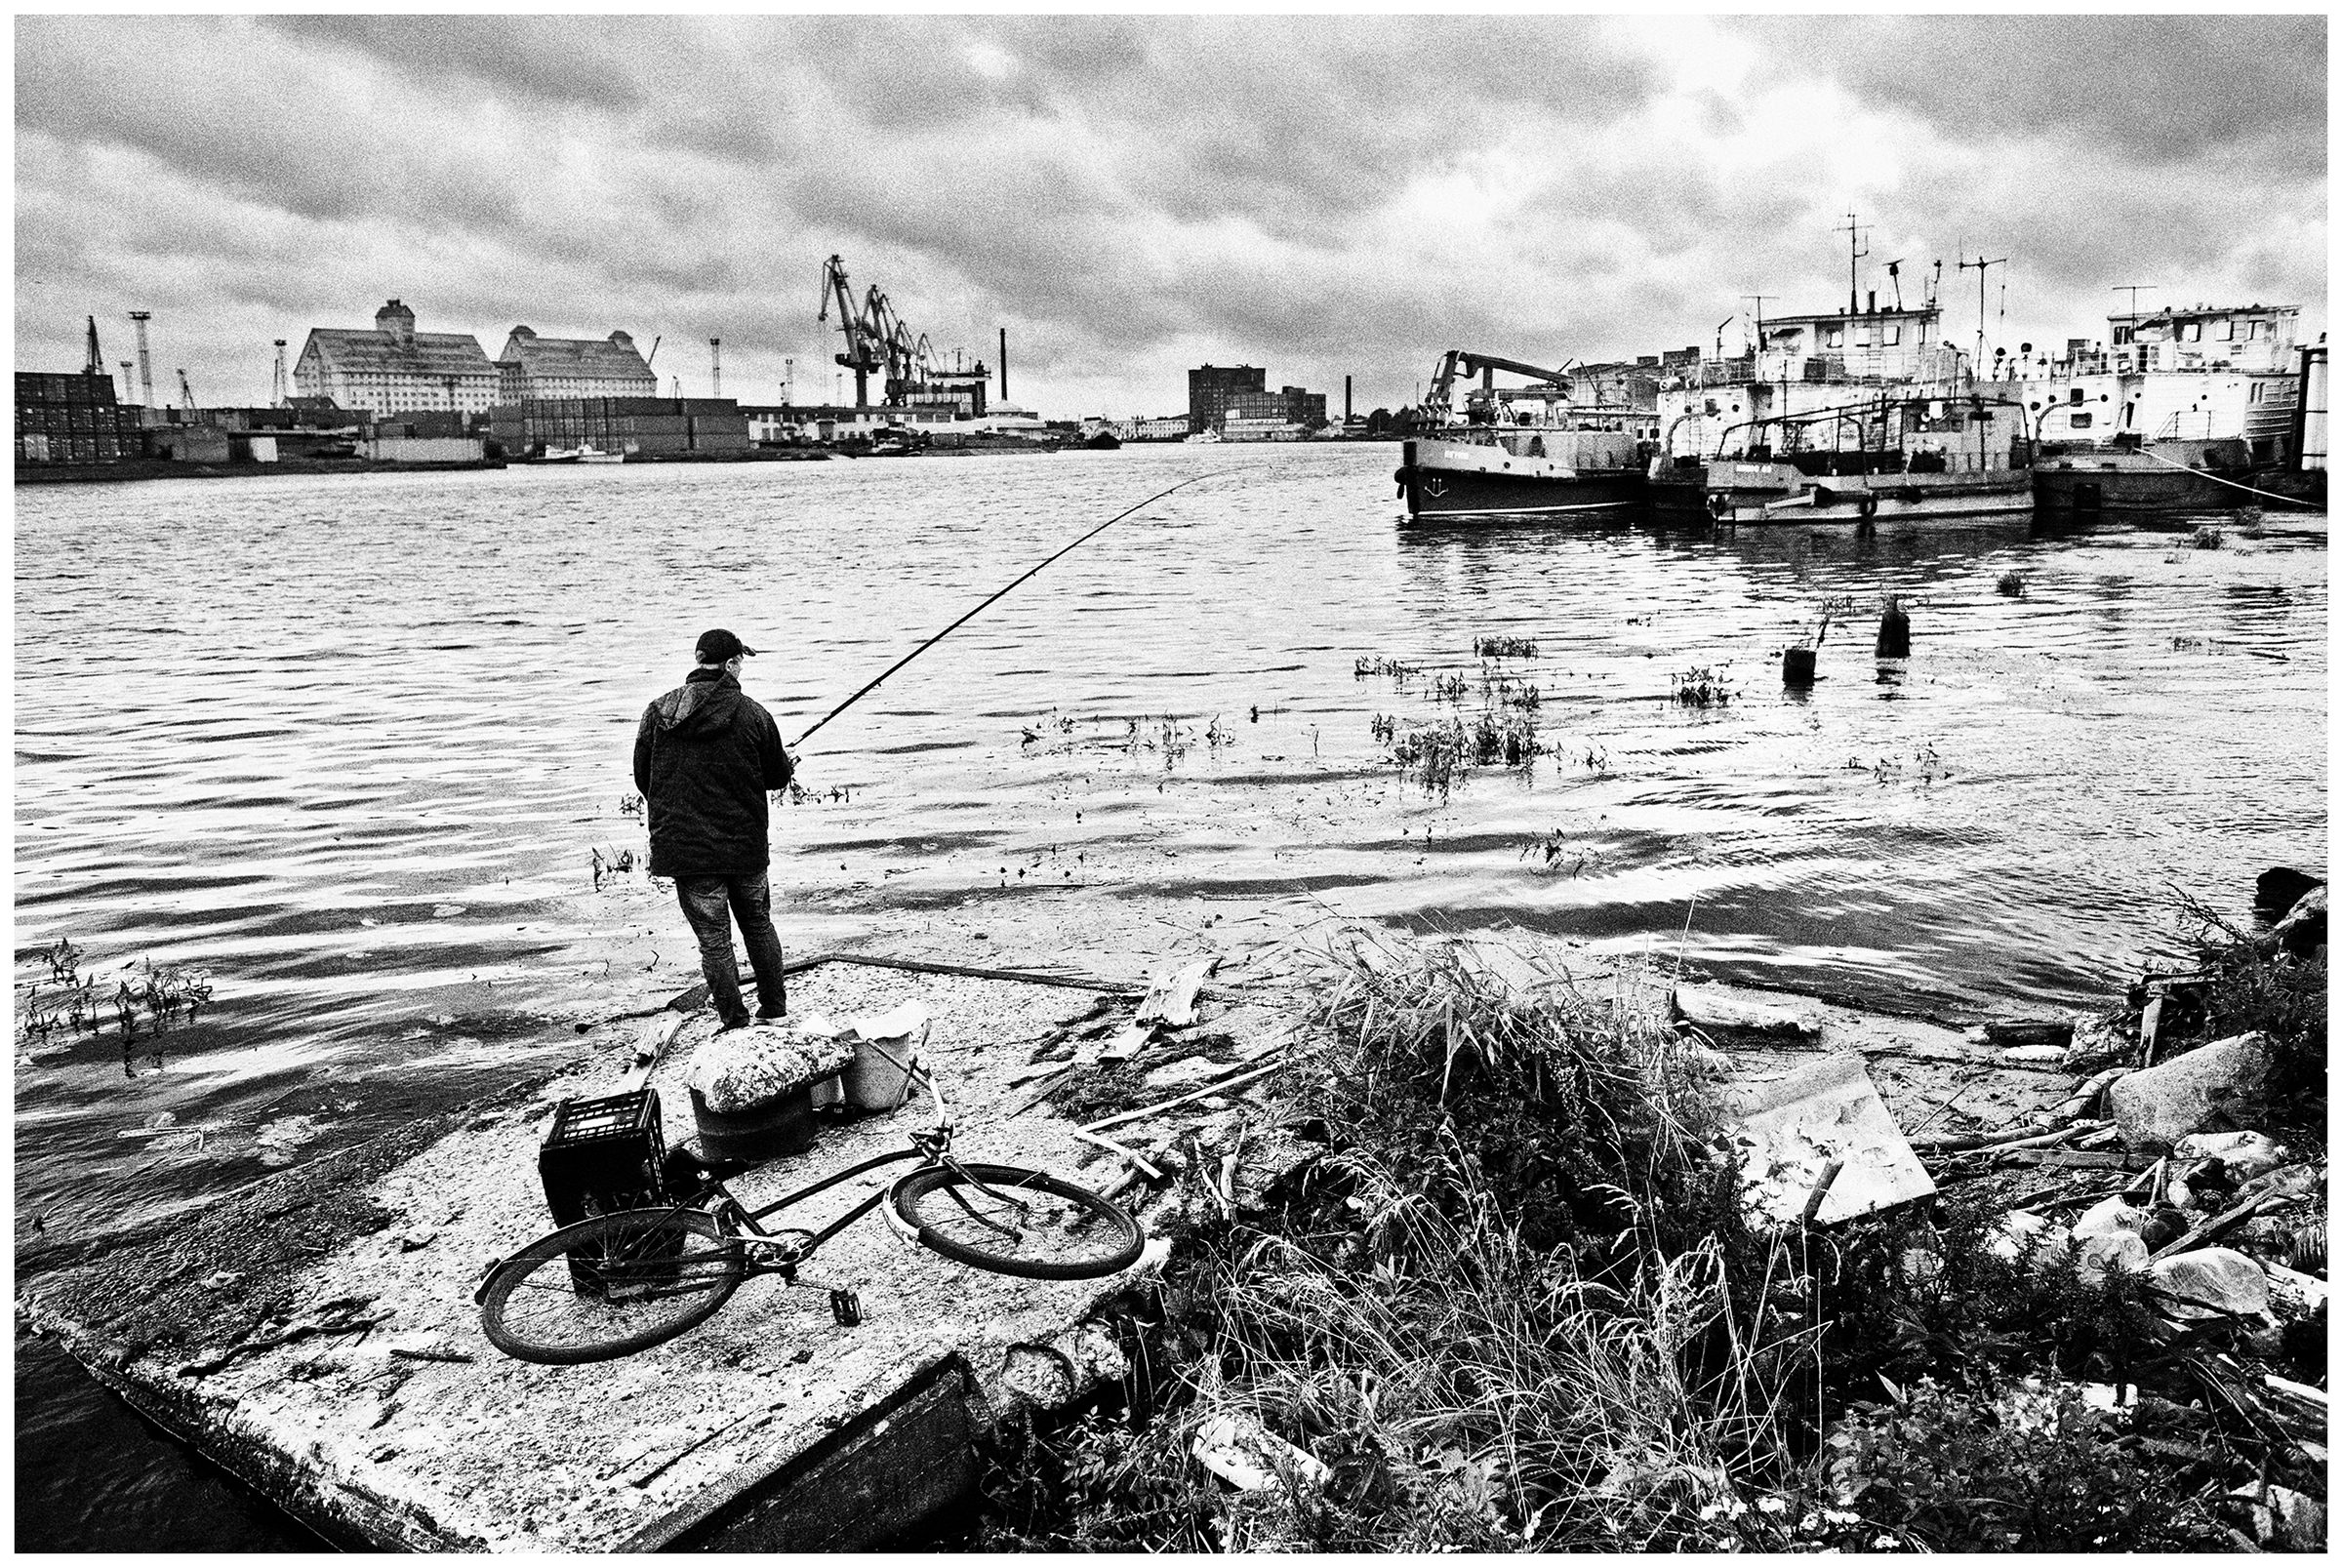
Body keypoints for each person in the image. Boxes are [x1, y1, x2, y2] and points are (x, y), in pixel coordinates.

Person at [633, 628, 794, 1029]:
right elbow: (777, 778)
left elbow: (643, 778)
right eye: (741, 661)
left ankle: (734, 1021)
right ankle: (774, 1009)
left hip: (688, 851)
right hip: (743, 846)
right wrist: (785, 764)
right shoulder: (755, 714)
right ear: (730, 665)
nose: (741, 669)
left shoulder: (658, 712)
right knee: (757, 924)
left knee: (714, 941)